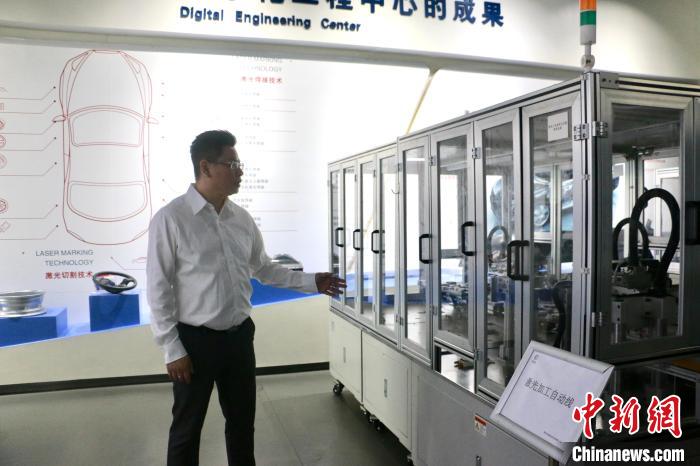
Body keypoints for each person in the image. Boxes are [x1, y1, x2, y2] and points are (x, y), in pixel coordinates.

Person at [147, 129, 346, 466]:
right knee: (187, 430)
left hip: (239, 339)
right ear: (206, 167)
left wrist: (311, 281)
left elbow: (264, 269)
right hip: (194, 343)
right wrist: (172, 348)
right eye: (232, 164)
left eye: (239, 164)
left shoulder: (241, 218)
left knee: (242, 425)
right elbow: (157, 288)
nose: (240, 171)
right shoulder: (171, 219)